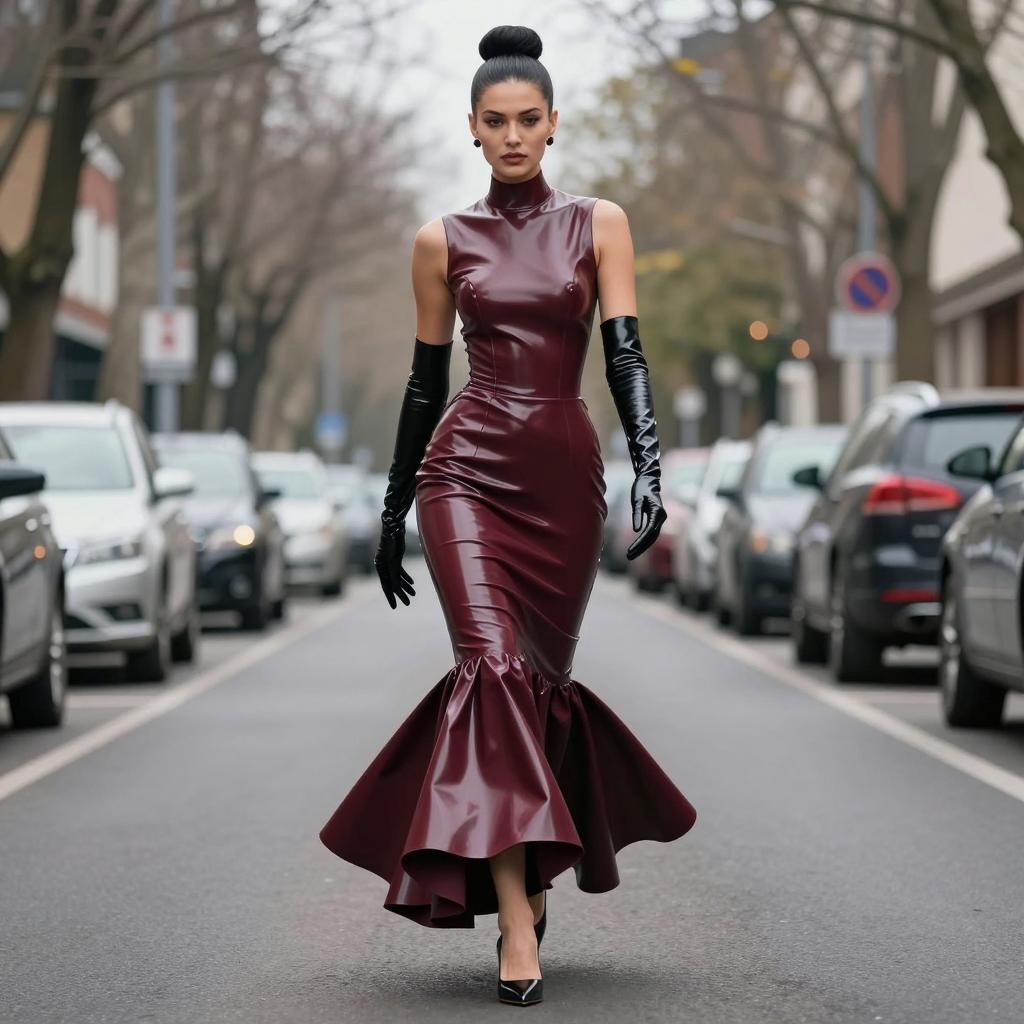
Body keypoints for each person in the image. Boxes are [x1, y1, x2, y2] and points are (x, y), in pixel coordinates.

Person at [318, 23, 698, 1007]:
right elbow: (419, 384)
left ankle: (523, 869)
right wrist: (394, 504)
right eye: (497, 122)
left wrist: (648, 464)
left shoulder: (599, 222)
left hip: (563, 481)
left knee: (532, 690)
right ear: (474, 130)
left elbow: (624, 354)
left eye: (530, 119)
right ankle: (518, 924)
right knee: (488, 666)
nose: (515, 135)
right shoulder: (439, 240)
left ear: (553, 124)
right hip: (466, 472)